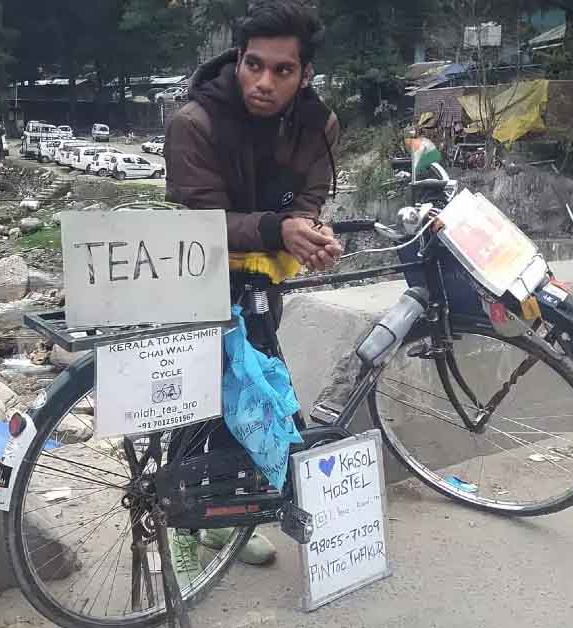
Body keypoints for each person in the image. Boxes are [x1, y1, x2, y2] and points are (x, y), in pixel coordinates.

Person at [163, 0, 343, 580]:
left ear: (304, 74)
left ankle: (226, 524)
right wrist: (278, 228)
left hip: (266, 280)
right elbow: (201, 223)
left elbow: (312, 193)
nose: (263, 82)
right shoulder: (195, 123)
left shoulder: (320, 123)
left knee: (249, 402)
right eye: (253, 65)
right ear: (238, 59)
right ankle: (182, 533)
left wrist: (312, 230)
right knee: (196, 406)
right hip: (200, 276)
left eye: (282, 71)